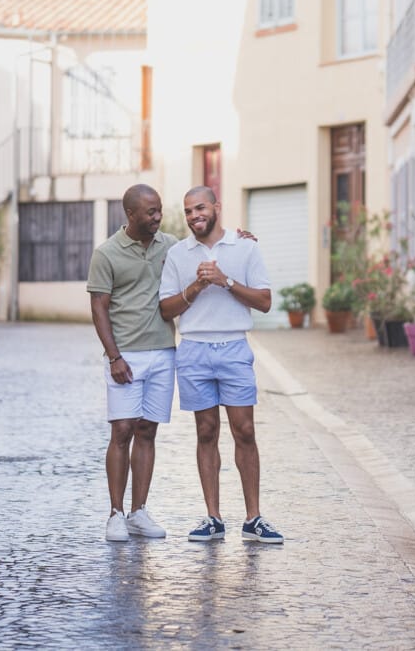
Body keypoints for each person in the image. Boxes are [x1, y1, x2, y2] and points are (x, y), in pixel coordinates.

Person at [159, 186, 283, 544]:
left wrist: (225, 281)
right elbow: (166, 310)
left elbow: (264, 301)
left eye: (200, 207)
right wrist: (197, 286)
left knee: (244, 431)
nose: (194, 215)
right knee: (206, 431)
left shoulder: (245, 247)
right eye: (187, 211)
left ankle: (253, 518)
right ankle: (213, 518)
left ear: (216, 207)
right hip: (194, 350)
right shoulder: (178, 254)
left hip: (233, 347)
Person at [87, 183, 177, 543]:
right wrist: (114, 356)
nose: (157, 217)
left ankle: (139, 511)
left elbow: (205, 248)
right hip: (126, 356)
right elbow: (98, 308)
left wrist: (241, 238)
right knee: (122, 430)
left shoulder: (169, 246)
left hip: (163, 351)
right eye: (150, 212)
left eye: (159, 210)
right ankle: (115, 514)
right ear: (131, 214)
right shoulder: (106, 253)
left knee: (147, 431)